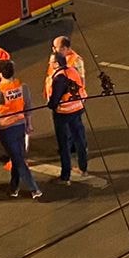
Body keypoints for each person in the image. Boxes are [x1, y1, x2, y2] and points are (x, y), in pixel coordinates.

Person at [0, 58, 44, 199]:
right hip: (20, 125)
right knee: (16, 157)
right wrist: (29, 123)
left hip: (6, 128)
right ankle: (14, 188)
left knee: (18, 160)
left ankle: (34, 189)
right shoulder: (21, 86)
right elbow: (28, 106)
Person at [47, 51, 88, 182]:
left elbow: (55, 100)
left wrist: (51, 105)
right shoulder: (73, 71)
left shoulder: (59, 78)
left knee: (64, 145)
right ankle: (83, 167)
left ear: (57, 63)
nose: (49, 63)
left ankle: (65, 176)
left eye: (51, 62)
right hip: (77, 109)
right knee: (79, 139)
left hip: (64, 114)